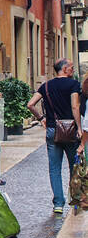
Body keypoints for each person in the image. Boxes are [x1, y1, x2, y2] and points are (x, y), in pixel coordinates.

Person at [26, 58, 84, 215]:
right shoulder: (73, 85)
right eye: (71, 67)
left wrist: (41, 119)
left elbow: (30, 104)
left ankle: (58, 204)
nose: (72, 70)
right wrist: (79, 127)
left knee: (54, 168)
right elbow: (75, 106)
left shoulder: (46, 86)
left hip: (52, 130)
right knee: (74, 165)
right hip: (70, 129)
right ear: (64, 69)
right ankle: (76, 200)